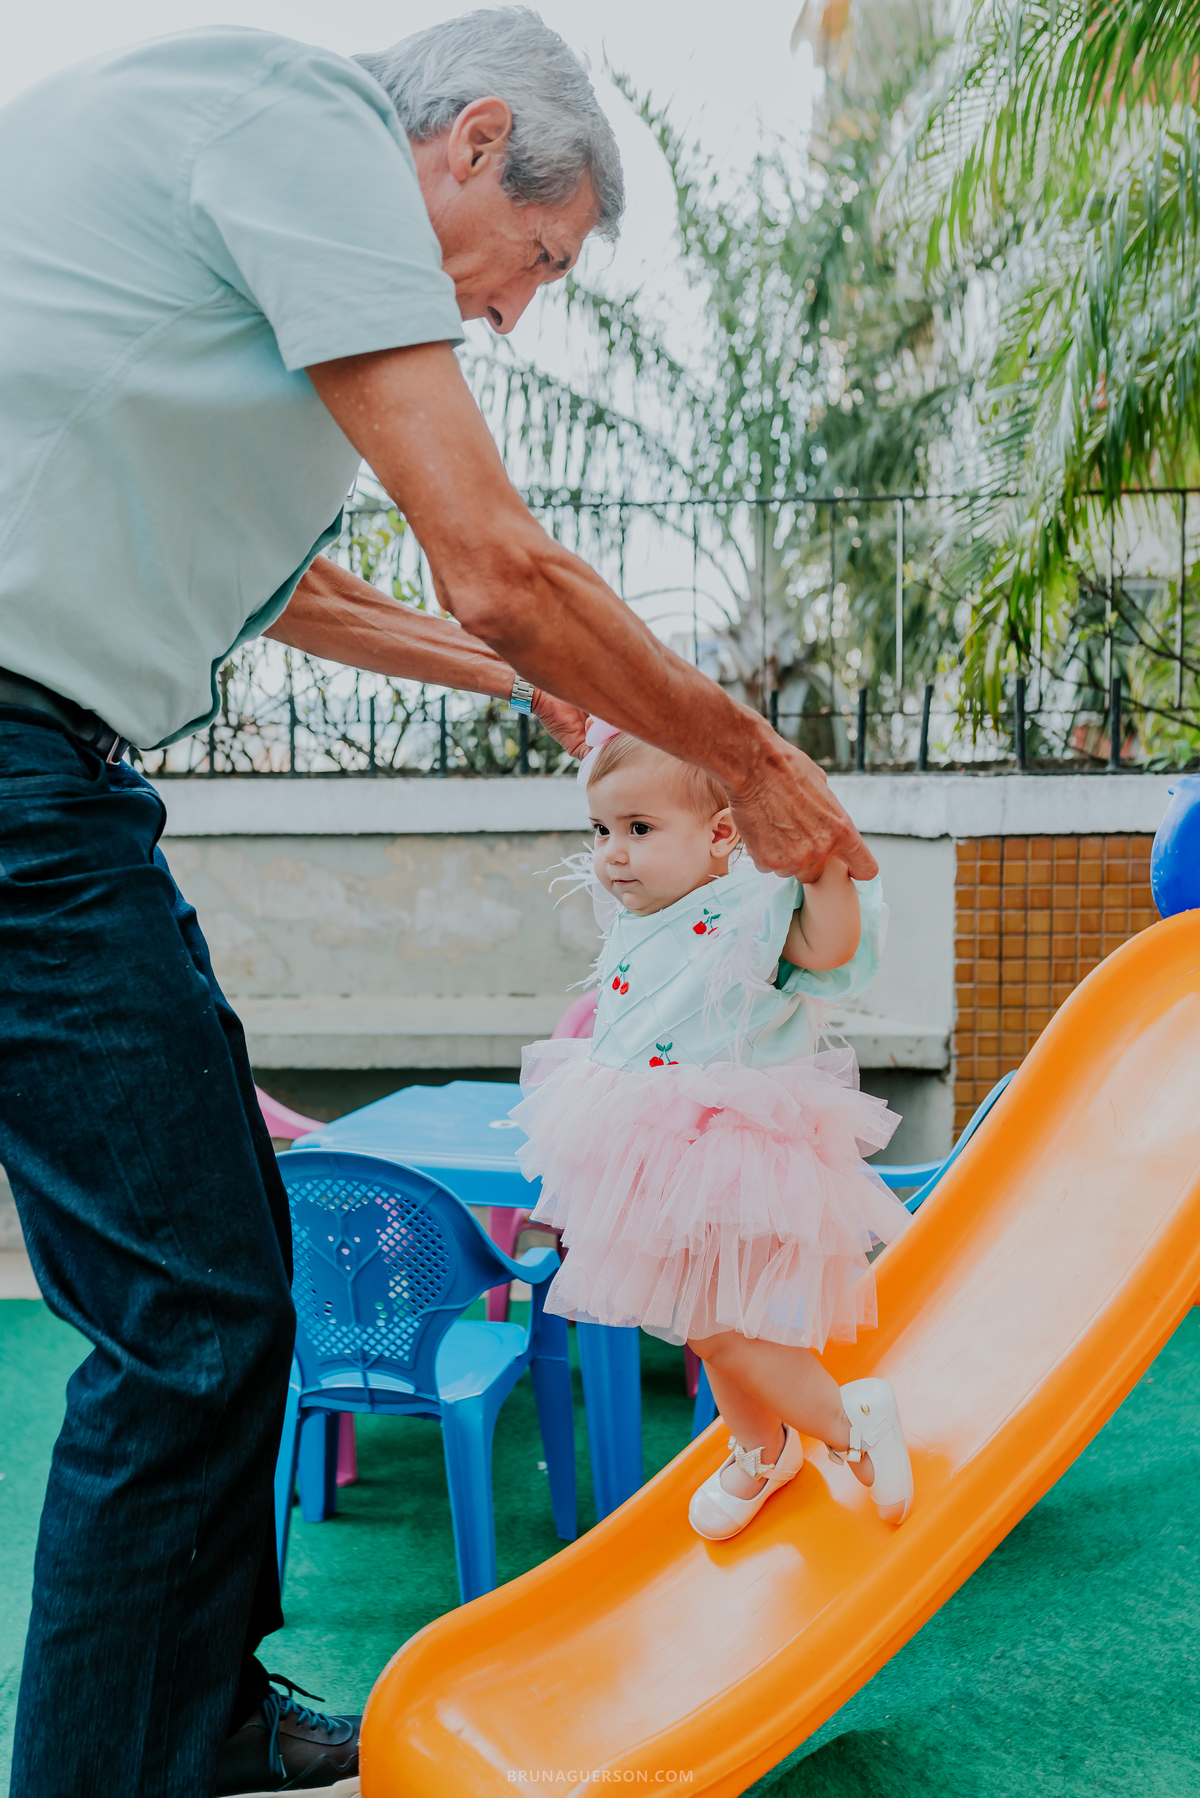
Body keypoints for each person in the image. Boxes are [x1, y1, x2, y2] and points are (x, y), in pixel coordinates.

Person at [0, 9, 879, 1796]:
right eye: (536, 259)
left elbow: (311, 592)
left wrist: (533, 684)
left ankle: (205, 1708)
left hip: (64, 774)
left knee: (223, 1273)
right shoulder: (300, 118)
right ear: (472, 138)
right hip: (17, 764)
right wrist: (749, 757)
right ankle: (118, 1759)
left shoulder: (239, 242)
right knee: (195, 1312)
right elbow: (497, 562)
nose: (514, 308)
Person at [513, 723, 915, 1540]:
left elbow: (831, 944)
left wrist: (824, 863)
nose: (613, 854)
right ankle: (764, 1451)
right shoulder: (640, 908)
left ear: (722, 834)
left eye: (638, 830)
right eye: (602, 831)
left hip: (737, 1151)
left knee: (730, 1324)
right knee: (708, 1321)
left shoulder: (751, 907)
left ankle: (849, 1424)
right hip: (649, 1144)